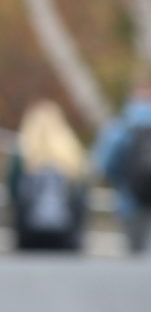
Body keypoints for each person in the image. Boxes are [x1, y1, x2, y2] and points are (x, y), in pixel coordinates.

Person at [93, 88, 151, 257]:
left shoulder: (123, 124)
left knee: (135, 258)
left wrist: (119, 181)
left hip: (130, 200)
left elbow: (105, 163)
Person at [9, 101, 91, 253]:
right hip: (66, 231)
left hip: (29, 231)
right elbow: (81, 194)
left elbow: (14, 191)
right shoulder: (71, 153)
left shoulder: (24, 154)